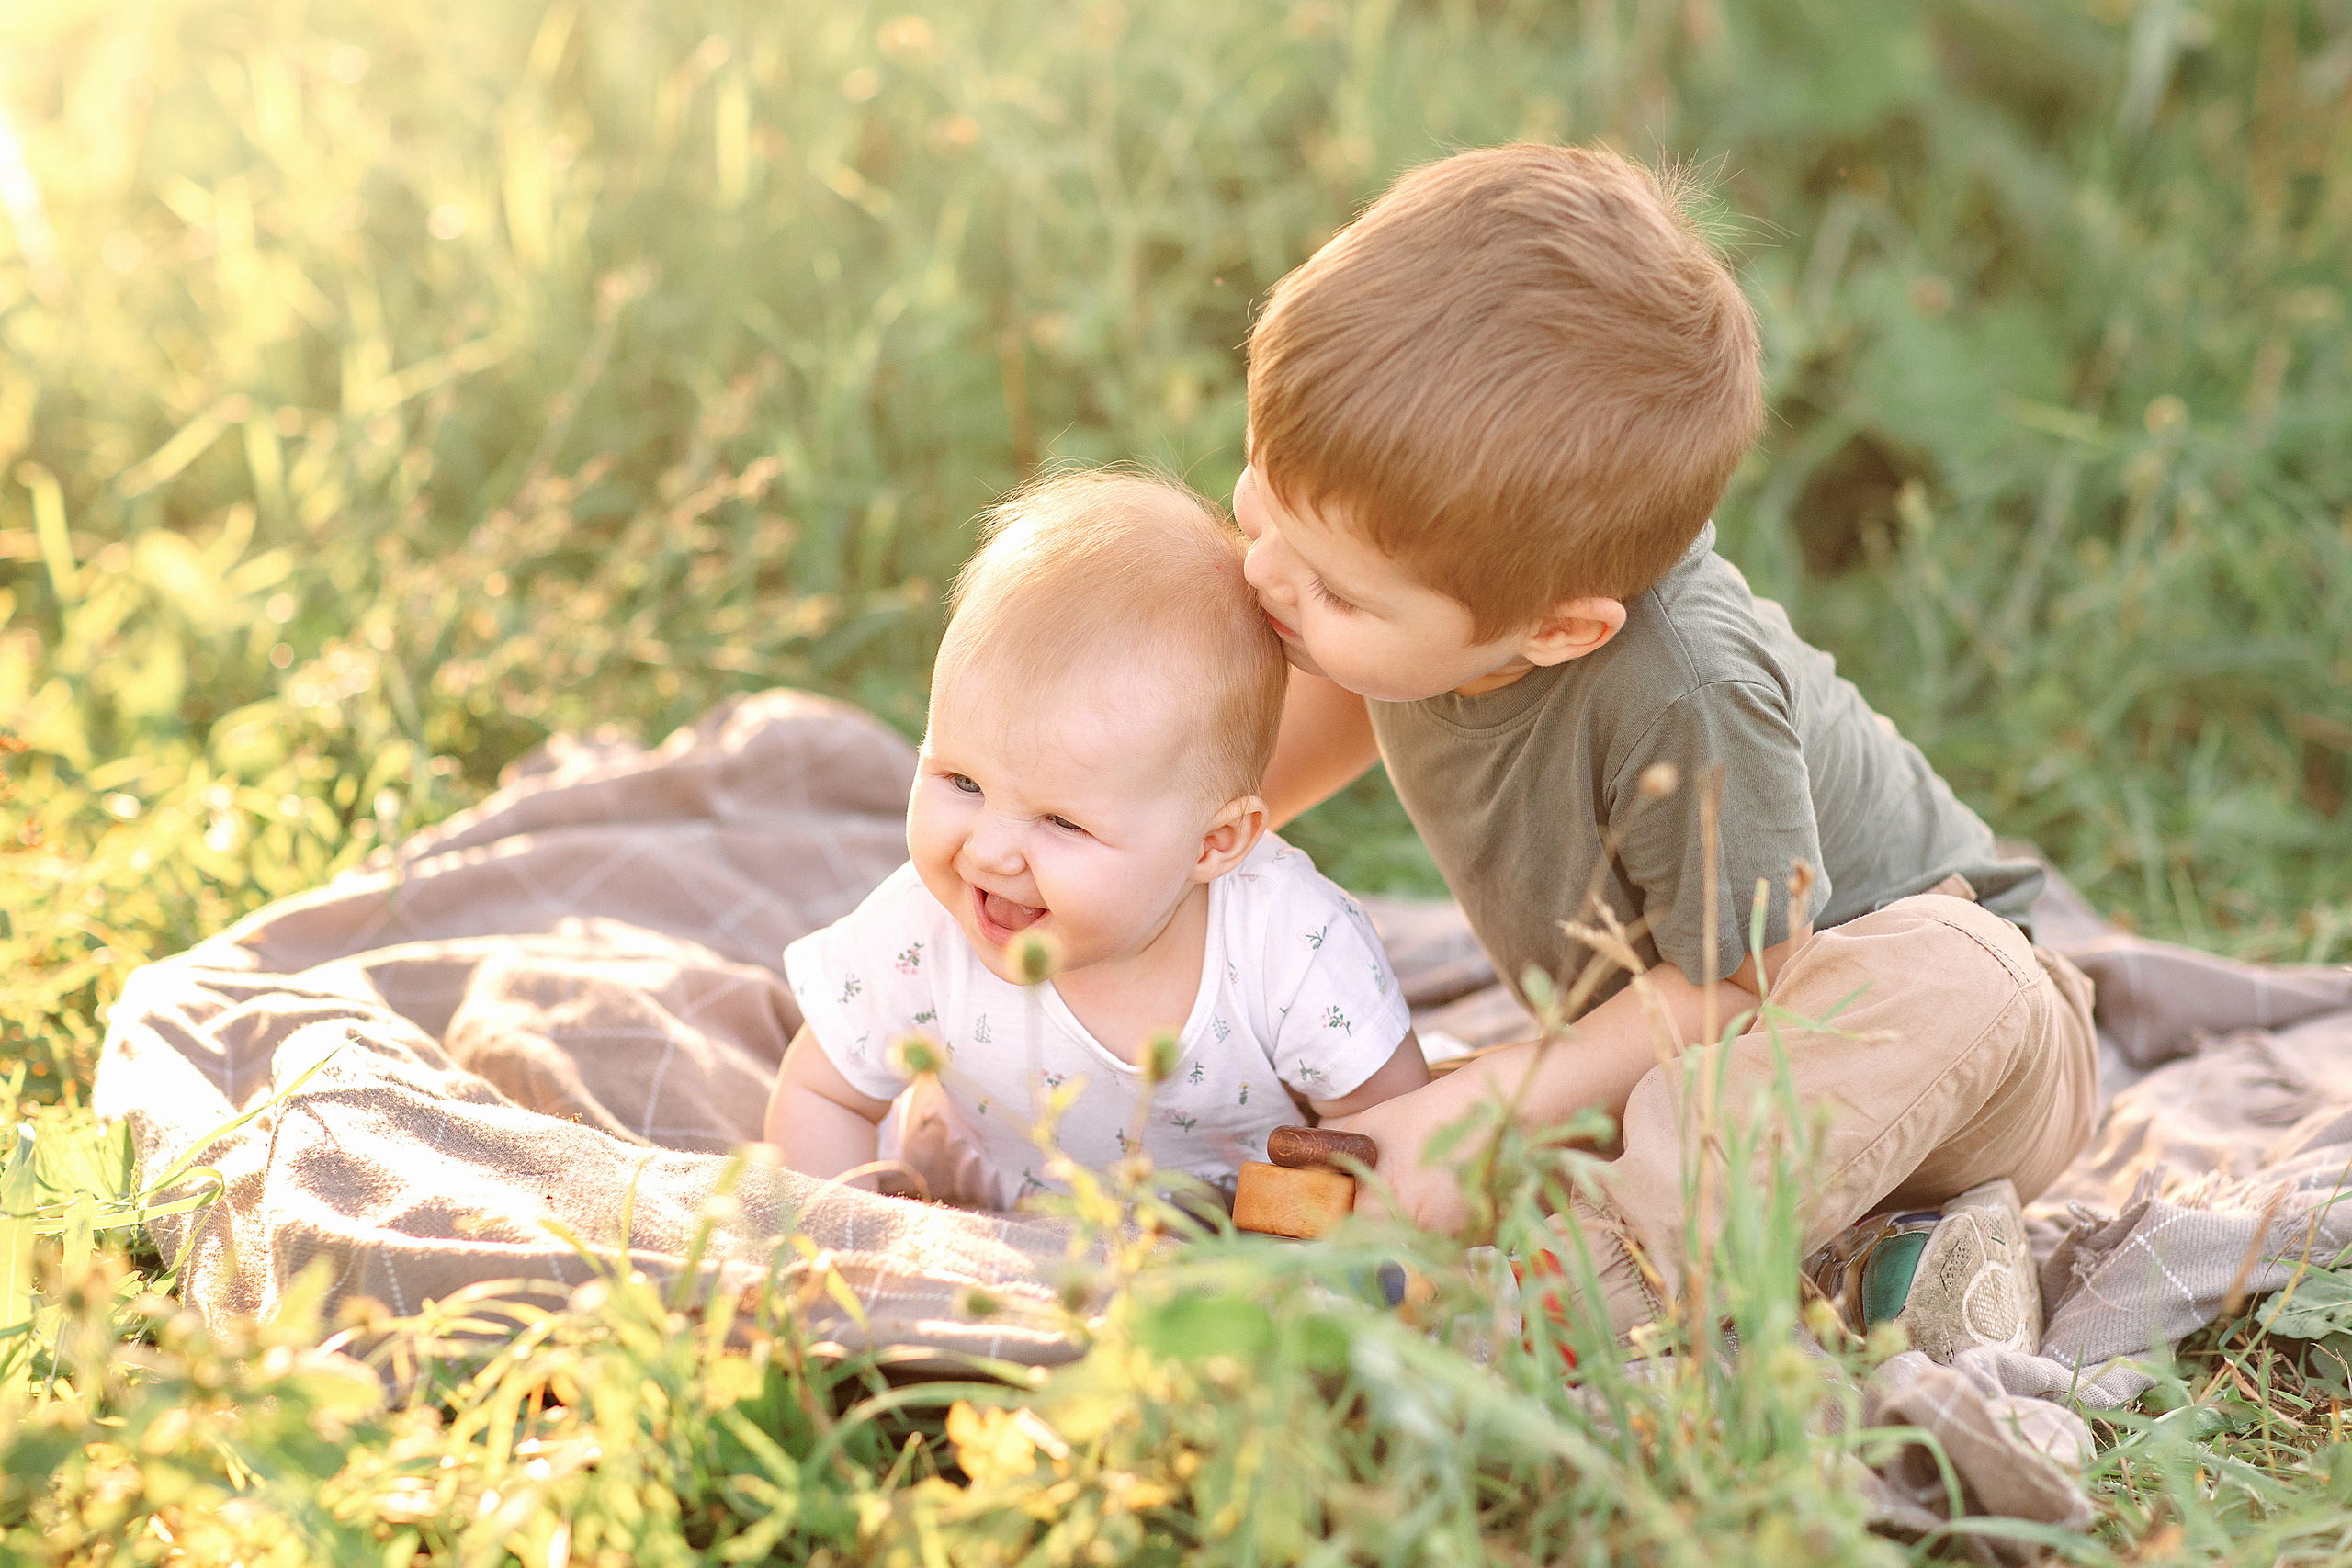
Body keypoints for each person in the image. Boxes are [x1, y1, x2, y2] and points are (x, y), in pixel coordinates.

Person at [1237, 143, 2098, 1331]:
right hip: (1663, 1073)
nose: (1266, 575)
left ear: (1557, 629)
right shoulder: (1403, 587)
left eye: (1337, 592)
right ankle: (1890, 1270)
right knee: (1382, 1100)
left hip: (1936, 1040)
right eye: (1255, 497)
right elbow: (1236, 788)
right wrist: (1133, 847)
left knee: (1950, 972)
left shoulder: (1683, 681)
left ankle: (1567, 1297)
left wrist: (1484, 1105)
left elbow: (1740, 984)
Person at [765, 470, 1430, 1209]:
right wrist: (828, 1238)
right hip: (978, 1212)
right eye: (962, 780)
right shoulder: (921, 930)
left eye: (1062, 822)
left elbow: (1392, 1135)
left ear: (1214, 843)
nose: (988, 851)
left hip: (1224, 1257)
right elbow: (824, 1092)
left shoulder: (1289, 946)